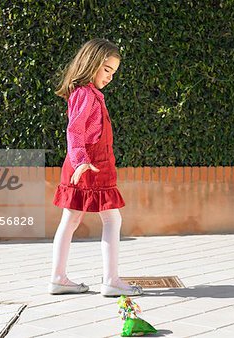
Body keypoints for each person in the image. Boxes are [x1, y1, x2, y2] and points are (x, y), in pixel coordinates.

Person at [49, 38, 143, 297]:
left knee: (71, 220)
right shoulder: (86, 94)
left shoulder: (87, 94)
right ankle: (111, 280)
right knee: (112, 218)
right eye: (107, 70)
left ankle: (58, 277)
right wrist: (81, 161)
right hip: (89, 165)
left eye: (114, 72)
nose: (111, 76)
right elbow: (75, 131)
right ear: (91, 63)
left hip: (85, 164)